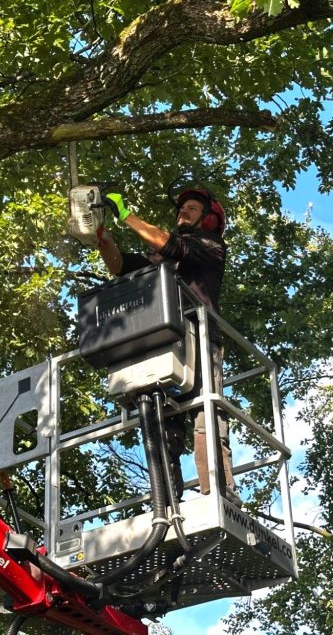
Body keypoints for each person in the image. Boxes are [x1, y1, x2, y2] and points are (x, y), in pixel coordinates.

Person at [96, 188, 240, 505]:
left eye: (191, 208)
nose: (183, 212)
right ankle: (167, 499)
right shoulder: (162, 258)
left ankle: (219, 493)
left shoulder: (211, 246)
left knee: (205, 413)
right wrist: (101, 235)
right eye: (181, 208)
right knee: (161, 420)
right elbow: (121, 266)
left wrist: (126, 215)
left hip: (201, 338)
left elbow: (169, 243)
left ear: (210, 218)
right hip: (165, 340)